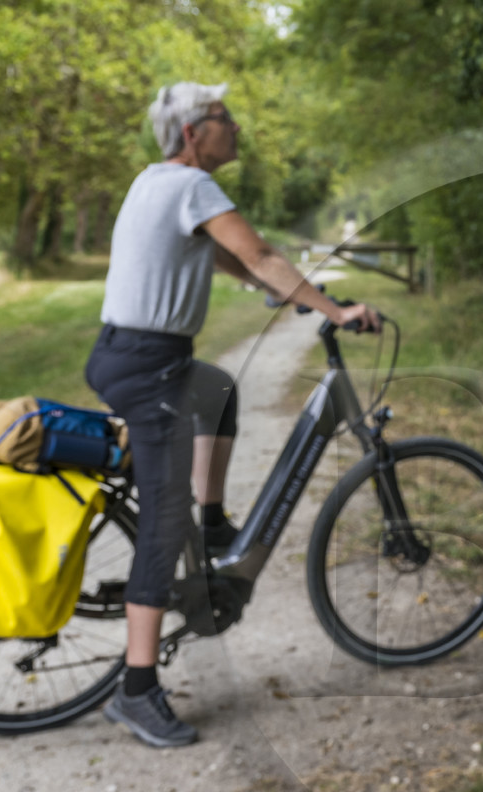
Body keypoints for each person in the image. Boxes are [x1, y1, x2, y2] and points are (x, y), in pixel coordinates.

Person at [87, 81, 378, 747]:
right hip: (149, 366)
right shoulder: (194, 186)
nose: (236, 126)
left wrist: (269, 288)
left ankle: (213, 524)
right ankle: (137, 691)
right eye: (225, 118)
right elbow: (261, 252)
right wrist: (335, 311)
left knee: (216, 388)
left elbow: (222, 255)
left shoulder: (155, 181)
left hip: (132, 355)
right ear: (193, 133)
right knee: (163, 523)